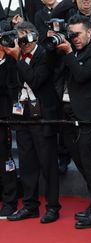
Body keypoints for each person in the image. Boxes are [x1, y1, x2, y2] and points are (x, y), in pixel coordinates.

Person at [53, 14, 91, 229]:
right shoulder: (69, 49)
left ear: (89, 32)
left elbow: (81, 75)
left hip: (90, 116)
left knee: (90, 162)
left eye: (77, 34)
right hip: (67, 114)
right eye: (71, 34)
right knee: (78, 160)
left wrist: (68, 53)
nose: (74, 38)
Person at [5, 21, 61, 224]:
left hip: (43, 116)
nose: (23, 41)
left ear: (36, 36)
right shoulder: (13, 56)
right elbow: (11, 83)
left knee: (48, 164)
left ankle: (53, 207)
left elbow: (36, 81)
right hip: (22, 116)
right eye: (20, 36)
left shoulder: (45, 55)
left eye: (27, 36)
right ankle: (30, 206)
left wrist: (18, 58)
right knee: (27, 164)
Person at [0, 43, 19, 219]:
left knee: (5, 161)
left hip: (3, 118)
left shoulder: (10, 63)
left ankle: (10, 202)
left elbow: (12, 87)